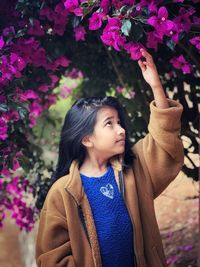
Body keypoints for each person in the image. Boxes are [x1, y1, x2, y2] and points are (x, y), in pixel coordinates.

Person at [35, 48, 184, 267]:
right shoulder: (62, 193)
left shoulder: (134, 168)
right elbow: (51, 258)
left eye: (119, 122)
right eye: (109, 124)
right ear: (86, 139)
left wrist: (155, 86)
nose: (121, 130)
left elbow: (164, 141)